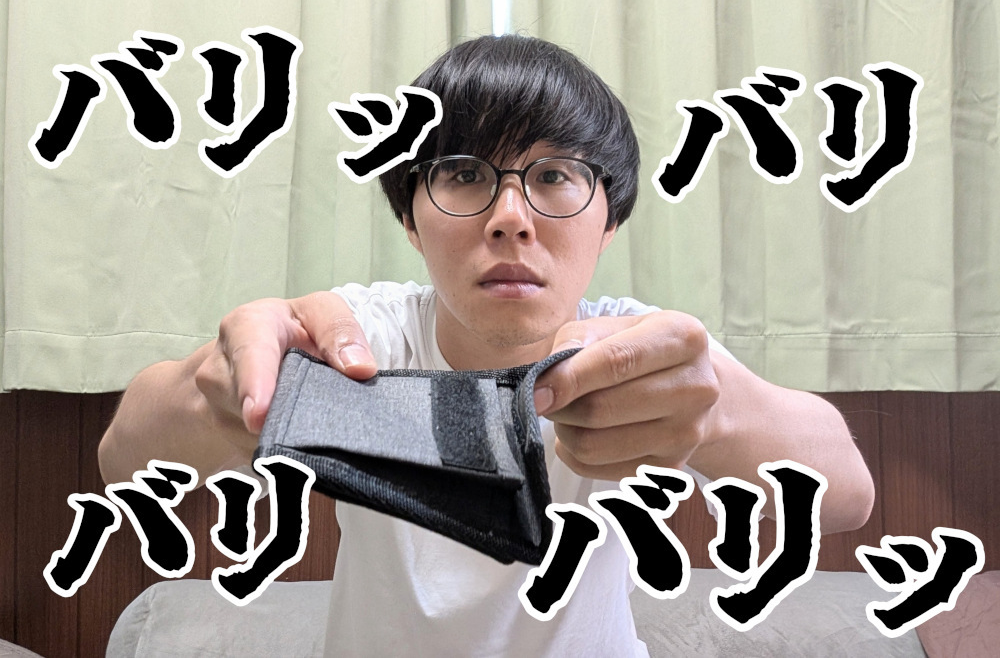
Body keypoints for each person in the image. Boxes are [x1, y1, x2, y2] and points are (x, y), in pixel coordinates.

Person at [99, 35, 874, 656]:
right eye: (465, 173)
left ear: (608, 219)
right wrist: (221, 390)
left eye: (555, 174)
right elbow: (122, 459)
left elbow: (847, 494)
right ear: (411, 218)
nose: (510, 216)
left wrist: (720, 414)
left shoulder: (642, 349)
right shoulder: (363, 338)